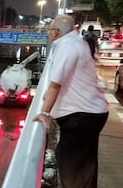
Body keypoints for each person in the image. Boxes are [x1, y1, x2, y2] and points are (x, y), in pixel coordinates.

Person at [33, 15, 108, 188]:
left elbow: (55, 85)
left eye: (50, 29)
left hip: (81, 116)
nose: (48, 32)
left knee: (71, 168)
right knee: (85, 165)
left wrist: (44, 112)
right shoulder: (77, 43)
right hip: (92, 113)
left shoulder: (67, 47)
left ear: (57, 31)